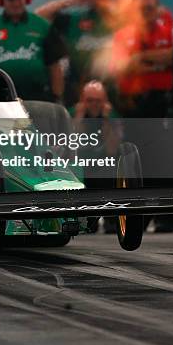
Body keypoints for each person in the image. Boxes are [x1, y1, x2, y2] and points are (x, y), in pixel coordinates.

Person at [0, 0, 66, 102]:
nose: (16, 3)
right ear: (1, 0)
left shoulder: (42, 26)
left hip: (39, 99)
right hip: (1, 100)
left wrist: (57, 98)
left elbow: (55, 66)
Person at [36, 0, 113, 108]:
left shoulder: (120, 19)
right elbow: (37, 17)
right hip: (77, 89)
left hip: (111, 91)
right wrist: (68, 1)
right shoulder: (75, 19)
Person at [110, 0, 173, 118]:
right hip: (132, 96)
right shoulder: (120, 18)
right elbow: (118, 65)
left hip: (162, 95)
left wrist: (142, 57)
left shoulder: (164, 16)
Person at [73, 80, 120, 233]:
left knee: (111, 170)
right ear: (82, 101)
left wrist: (106, 120)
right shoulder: (72, 113)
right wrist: (79, 119)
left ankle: (111, 220)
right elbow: (70, 147)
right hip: (80, 166)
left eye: (98, 101)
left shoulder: (112, 116)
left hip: (103, 166)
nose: (94, 104)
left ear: (105, 102)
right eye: (89, 100)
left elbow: (112, 150)